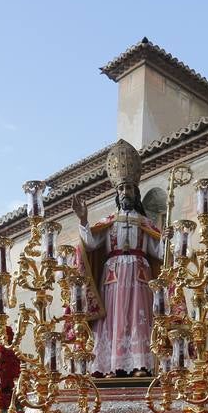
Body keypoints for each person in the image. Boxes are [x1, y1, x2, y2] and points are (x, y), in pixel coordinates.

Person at [71, 139, 163, 375]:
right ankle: (111, 365)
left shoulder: (145, 223)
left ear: (135, 192)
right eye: (121, 188)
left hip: (140, 275)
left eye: (129, 188)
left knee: (138, 317)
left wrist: (169, 238)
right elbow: (90, 244)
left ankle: (140, 364)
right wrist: (83, 220)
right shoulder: (109, 222)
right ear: (117, 193)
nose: (125, 192)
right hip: (113, 276)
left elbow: (160, 252)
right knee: (114, 318)